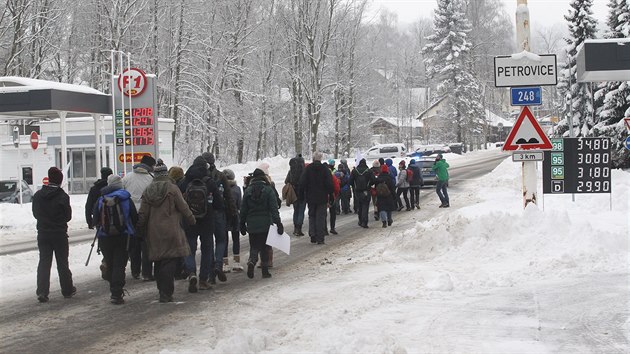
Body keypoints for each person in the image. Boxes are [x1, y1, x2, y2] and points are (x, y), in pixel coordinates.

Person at [137, 164, 196, 303]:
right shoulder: (172, 188)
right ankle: (166, 292)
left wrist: (139, 227)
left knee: (158, 260)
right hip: (171, 230)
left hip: (154, 231)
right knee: (169, 260)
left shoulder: (148, 190)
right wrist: (191, 219)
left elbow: (143, 213)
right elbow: (183, 207)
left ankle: (161, 289)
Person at [92, 174, 138, 304]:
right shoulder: (126, 198)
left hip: (105, 237)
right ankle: (116, 293)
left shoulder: (101, 199)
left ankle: (113, 285)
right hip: (124, 236)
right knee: (119, 264)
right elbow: (134, 217)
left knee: (111, 263)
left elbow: (95, 219)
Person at [32, 167, 75, 303]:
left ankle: (42, 292)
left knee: (44, 262)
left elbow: (35, 213)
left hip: (43, 233)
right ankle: (67, 290)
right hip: (59, 233)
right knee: (62, 262)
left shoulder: (38, 195)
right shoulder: (63, 196)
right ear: (60, 180)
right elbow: (68, 216)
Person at [179, 156, 222, 292]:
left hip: (189, 220)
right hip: (207, 221)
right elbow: (218, 203)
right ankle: (203, 280)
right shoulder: (209, 182)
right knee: (207, 250)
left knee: (189, 249)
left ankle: (191, 272)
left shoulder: (185, 181)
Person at [239, 168, 283, 279]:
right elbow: (274, 208)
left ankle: (252, 261)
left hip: (252, 224)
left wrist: (242, 224)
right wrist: (278, 223)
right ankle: (265, 271)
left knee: (254, 246)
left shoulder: (248, 191)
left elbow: (243, 209)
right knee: (265, 247)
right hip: (266, 224)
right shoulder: (268, 190)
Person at [202, 152, 235, 283]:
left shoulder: (200, 177)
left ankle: (211, 274)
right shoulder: (221, 176)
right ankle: (218, 264)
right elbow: (229, 195)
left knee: (208, 243)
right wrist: (233, 213)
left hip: (204, 214)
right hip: (219, 212)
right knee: (221, 240)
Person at [122, 154, 156, 280]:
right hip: (146, 214)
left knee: (133, 244)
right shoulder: (151, 179)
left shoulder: (127, 177)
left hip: (130, 215)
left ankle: (135, 271)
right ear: (149, 166)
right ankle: (147, 273)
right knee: (146, 244)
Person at [299, 152, 334, 244]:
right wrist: (331, 194)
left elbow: (302, 182)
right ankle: (320, 237)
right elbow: (330, 183)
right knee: (320, 217)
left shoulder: (308, 169)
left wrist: (301, 194)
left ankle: (312, 234)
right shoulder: (325, 169)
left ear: (313, 159)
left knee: (312, 216)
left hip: (310, 196)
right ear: (321, 159)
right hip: (322, 197)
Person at [85, 166, 113, 279]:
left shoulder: (94, 189)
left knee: (104, 241)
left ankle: (105, 260)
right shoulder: (113, 188)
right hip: (115, 221)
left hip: (100, 221)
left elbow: (88, 206)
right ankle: (109, 262)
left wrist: (89, 221)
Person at [222, 168, 244, 272]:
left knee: (224, 240)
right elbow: (240, 204)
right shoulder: (237, 189)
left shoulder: (220, 189)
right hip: (235, 216)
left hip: (223, 216)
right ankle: (236, 262)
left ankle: (224, 263)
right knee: (236, 239)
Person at [349, 159, 376, 228]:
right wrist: (369, 184)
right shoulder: (369, 171)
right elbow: (373, 180)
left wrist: (354, 186)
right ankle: (365, 222)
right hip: (366, 190)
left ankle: (360, 220)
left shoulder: (354, 171)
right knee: (365, 206)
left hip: (357, 191)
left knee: (359, 206)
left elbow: (350, 181)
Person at [284, 155, 306, 236]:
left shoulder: (291, 171)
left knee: (296, 211)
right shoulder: (304, 171)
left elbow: (286, 181)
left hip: (293, 193)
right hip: (303, 193)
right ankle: (299, 229)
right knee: (301, 211)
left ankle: (295, 228)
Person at [328, 164, 341, 235]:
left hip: (322, 196)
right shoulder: (332, 177)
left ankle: (324, 229)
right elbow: (337, 187)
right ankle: (332, 228)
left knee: (322, 213)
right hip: (331, 196)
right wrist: (335, 195)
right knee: (332, 213)